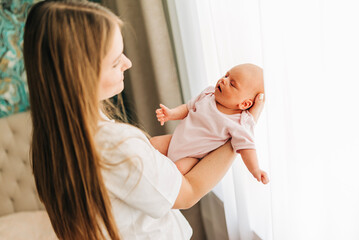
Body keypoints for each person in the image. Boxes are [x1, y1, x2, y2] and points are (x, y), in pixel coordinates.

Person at [23, 1, 264, 240]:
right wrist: (241, 128)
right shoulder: (117, 144)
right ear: (81, 75)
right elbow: (187, 192)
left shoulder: (50, 136)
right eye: (116, 61)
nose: (128, 63)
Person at [152, 64, 269, 184]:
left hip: (191, 157)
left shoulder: (238, 122)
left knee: (174, 171)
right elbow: (188, 108)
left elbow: (247, 147)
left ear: (244, 104)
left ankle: (153, 182)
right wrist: (171, 114)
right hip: (174, 140)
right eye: (226, 75)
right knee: (152, 143)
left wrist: (255, 170)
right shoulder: (208, 94)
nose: (224, 80)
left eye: (232, 84)